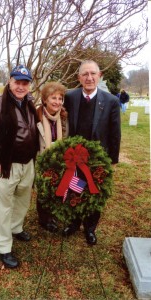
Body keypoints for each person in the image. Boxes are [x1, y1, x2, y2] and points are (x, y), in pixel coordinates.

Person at [0, 65, 39, 268]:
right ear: (9, 82)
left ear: (29, 85)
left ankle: (16, 227)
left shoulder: (29, 101)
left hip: (28, 162)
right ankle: (3, 247)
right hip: (7, 165)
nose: (21, 86)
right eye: (17, 82)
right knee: (4, 206)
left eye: (25, 83)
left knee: (23, 198)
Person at [63, 60, 121, 245]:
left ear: (100, 75)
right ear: (79, 77)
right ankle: (73, 223)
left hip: (98, 159)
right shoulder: (70, 97)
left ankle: (90, 228)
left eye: (93, 74)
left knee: (94, 193)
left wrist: (112, 160)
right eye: (85, 74)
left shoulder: (111, 101)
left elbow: (115, 132)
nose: (89, 78)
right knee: (75, 189)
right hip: (74, 158)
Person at [36, 81, 68, 232]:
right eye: (53, 98)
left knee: (55, 186)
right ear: (45, 99)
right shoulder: (36, 115)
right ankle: (44, 219)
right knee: (43, 189)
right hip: (41, 158)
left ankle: (53, 214)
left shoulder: (63, 116)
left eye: (60, 98)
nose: (57, 102)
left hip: (59, 158)